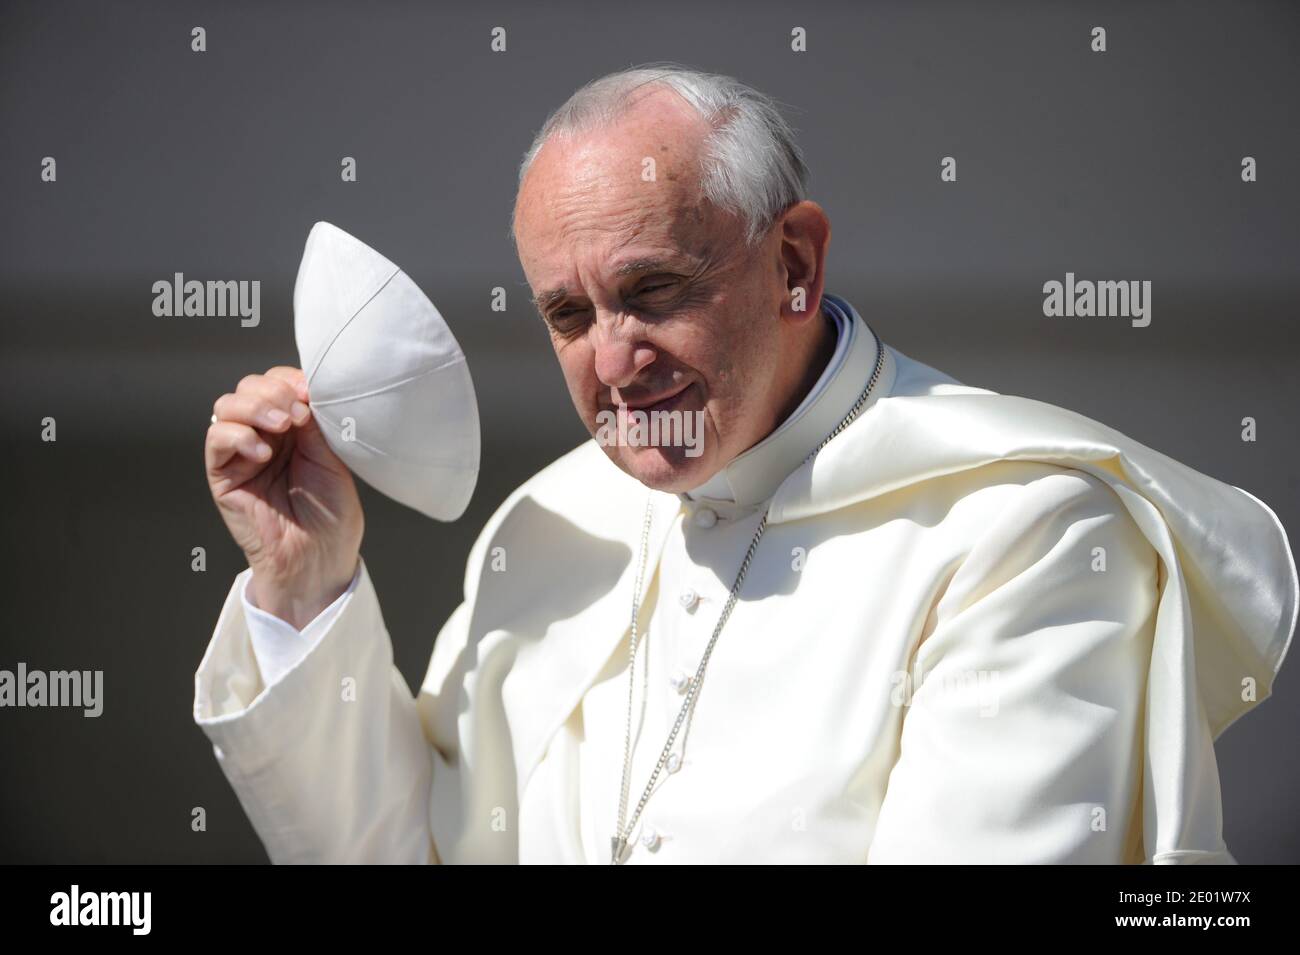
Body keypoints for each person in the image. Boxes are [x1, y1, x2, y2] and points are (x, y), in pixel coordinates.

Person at [195, 65, 1296, 864]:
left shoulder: (1020, 527)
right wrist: (307, 582)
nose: (614, 361)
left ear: (794, 263)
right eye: (568, 314)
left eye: (654, 291)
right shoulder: (544, 529)